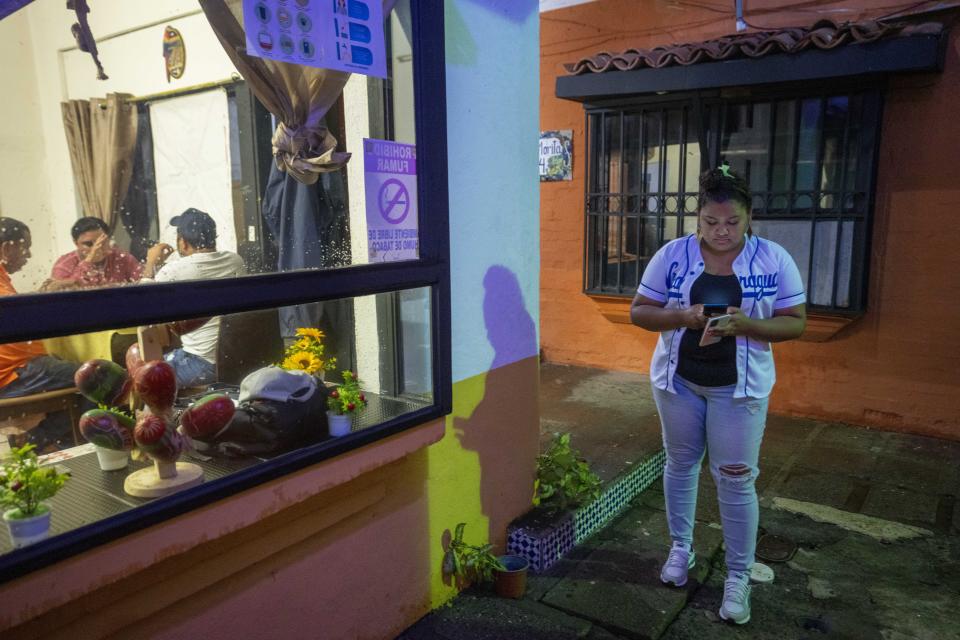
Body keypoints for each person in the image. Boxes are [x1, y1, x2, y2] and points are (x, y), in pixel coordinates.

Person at [629, 165, 806, 625]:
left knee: (735, 477)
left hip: (739, 391)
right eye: (711, 222)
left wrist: (748, 325)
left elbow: (796, 321)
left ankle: (738, 576)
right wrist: (681, 317)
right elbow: (640, 312)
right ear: (698, 218)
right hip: (679, 383)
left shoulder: (773, 259)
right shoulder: (672, 256)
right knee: (680, 464)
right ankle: (680, 549)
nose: (722, 232)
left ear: (749, 217)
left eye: (732, 222)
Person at [0, 217, 80, 450]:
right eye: (26, 247)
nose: (29, 255)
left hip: (24, 367)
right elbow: (17, 313)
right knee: (98, 379)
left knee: (81, 373)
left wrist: (40, 295)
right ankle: (43, 442)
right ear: (7, 247)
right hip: (16, 373)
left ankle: (43, 442)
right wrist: (47, 297)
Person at [143, 208, 245, 388]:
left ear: (182, 242)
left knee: (144, 375)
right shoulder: (235, 261)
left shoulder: (174, 271)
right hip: (236, 360)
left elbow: (140, 303)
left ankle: (154, 416)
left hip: (200, 365)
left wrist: (151, 263)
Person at [48, 217, 142, 289]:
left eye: (101, 242)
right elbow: (61, 296)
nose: (96, 248)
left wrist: (150, 262)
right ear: (76, 243)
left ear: (108, 239)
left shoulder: (122, 259)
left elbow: (144, 284)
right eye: (89, 244)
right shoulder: (64, 265)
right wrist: (88, 262)